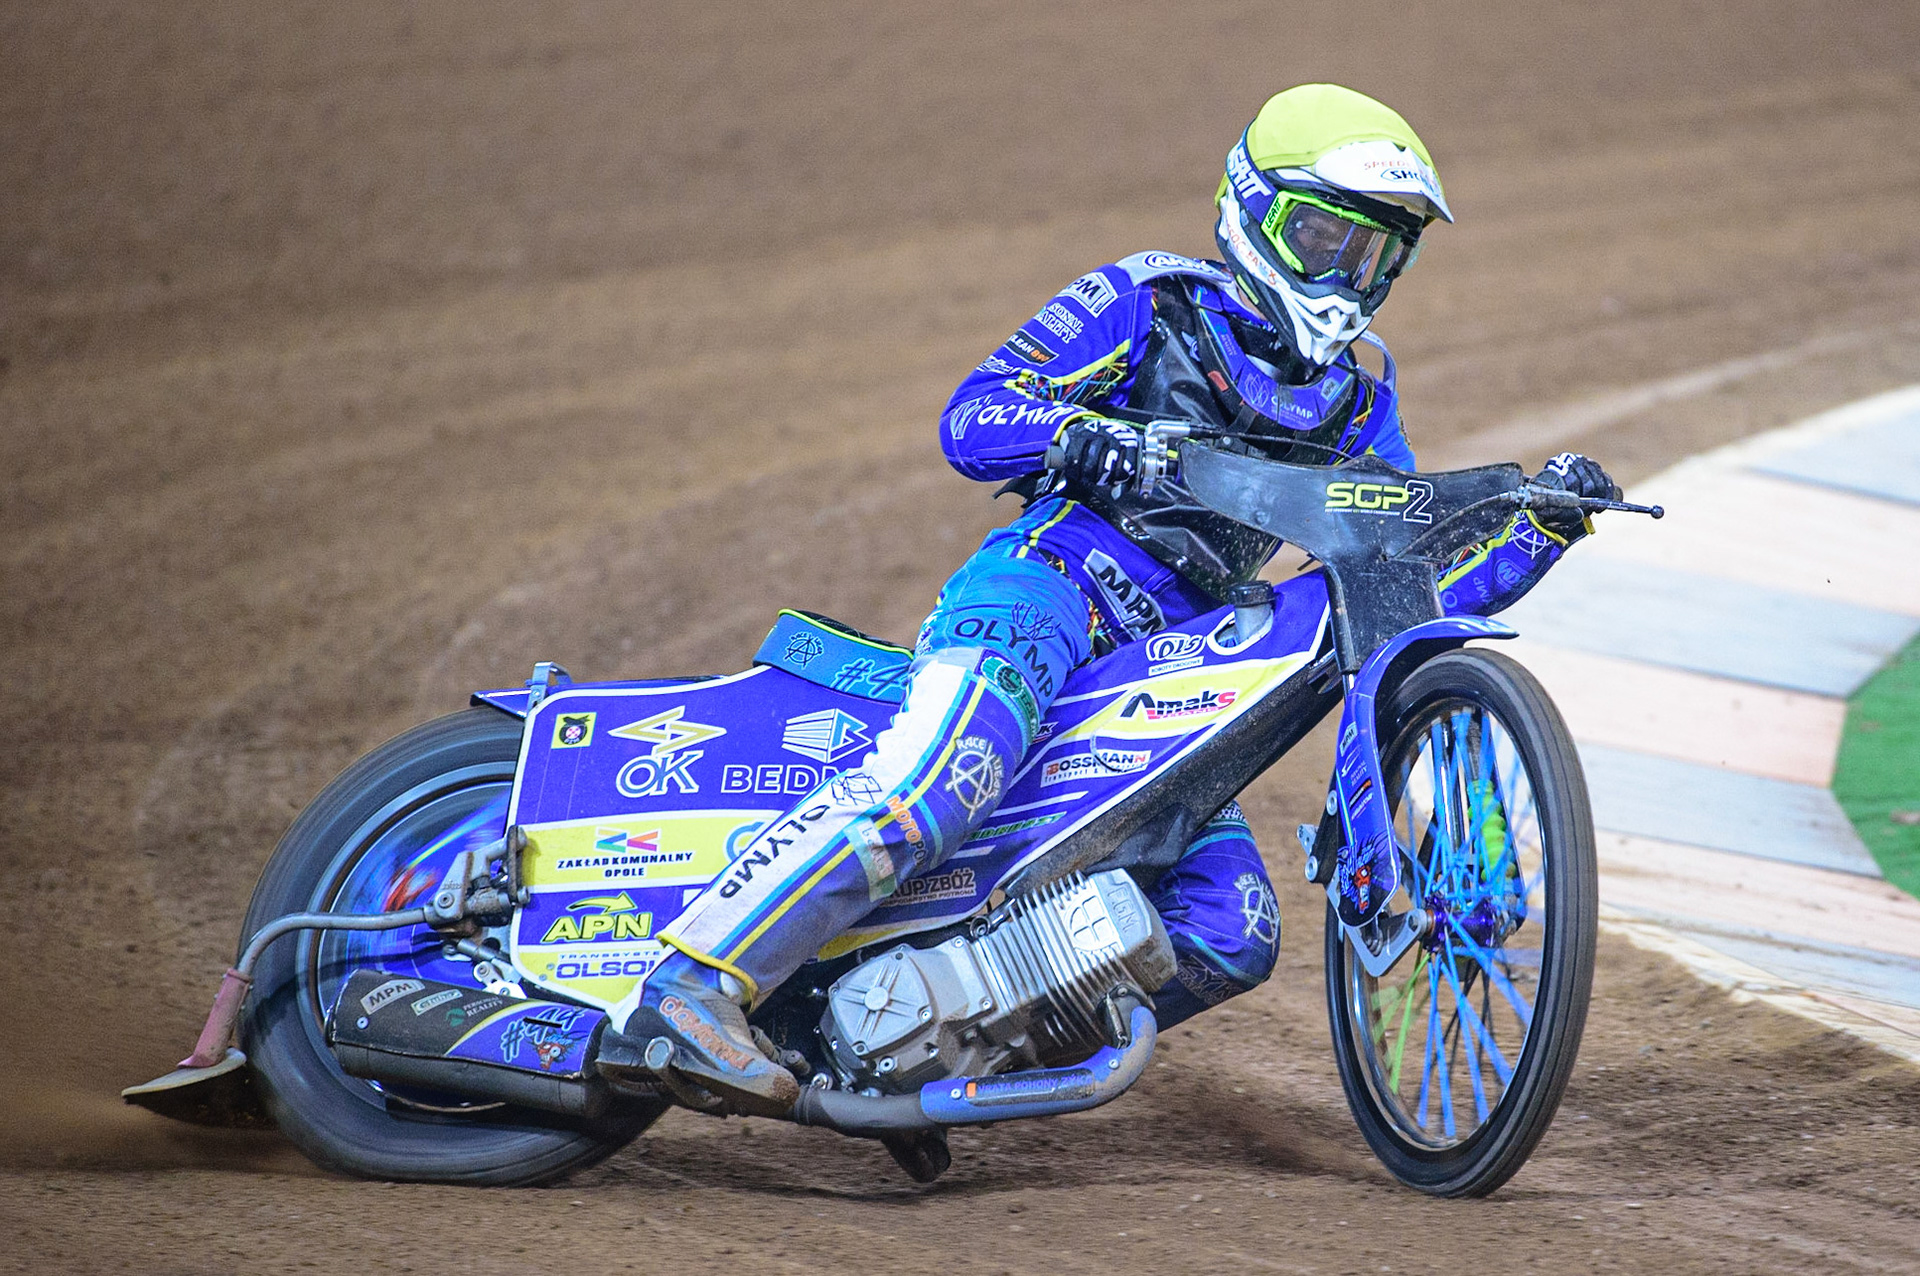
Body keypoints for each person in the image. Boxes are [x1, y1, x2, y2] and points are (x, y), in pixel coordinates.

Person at [600, 84, 1619, 1115]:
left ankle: (922, 1051)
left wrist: (1537, 527)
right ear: (1254, 213)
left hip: (1179, 672)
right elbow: (973, 414)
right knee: (946, 774)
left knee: (1234, 928)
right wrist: (1070, 431)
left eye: (1375, 255)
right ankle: (690, 985)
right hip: (1043, 596)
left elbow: (1398, 576)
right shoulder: (1150, 298)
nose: (1349, 276)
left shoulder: (1361, 403)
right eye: (1325, 238)